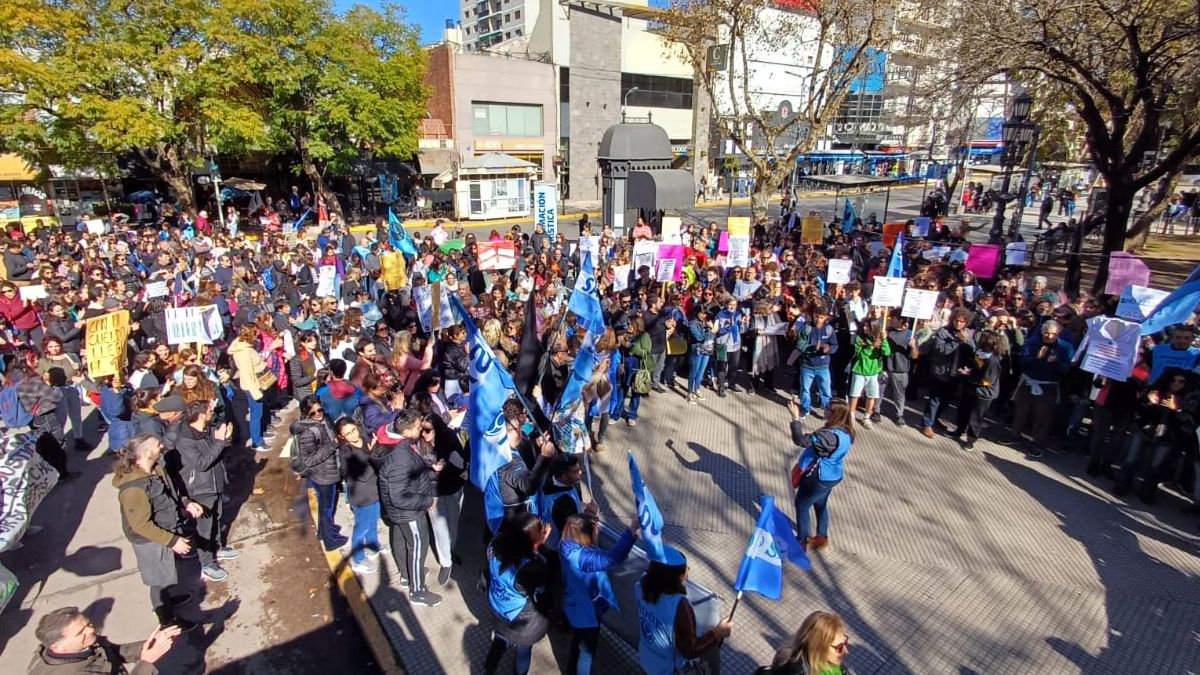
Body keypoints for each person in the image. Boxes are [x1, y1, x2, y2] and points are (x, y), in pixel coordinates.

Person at [113, 434, 200, 632]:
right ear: (145, 452)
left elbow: (172, 494)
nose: (162, 446)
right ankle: (166, 620)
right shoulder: (133, 489)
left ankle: (168, 600)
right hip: (150, 540)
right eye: (157, 444)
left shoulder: (156, 469)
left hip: (166, 530)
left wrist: (187, 503)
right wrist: (171, 541)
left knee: (167, 574)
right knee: (158, 582)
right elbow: (140, 525)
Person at [371, 409, 444, 607]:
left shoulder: (388, 442)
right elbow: (400, 496)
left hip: (399, 513)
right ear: (405, 432)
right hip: (409, 511)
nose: (421, 431)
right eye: (418, 428)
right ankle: (418, 590)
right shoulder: (400, 458)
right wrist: (426, 501)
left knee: (403, 542)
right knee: (418, 547)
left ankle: (407, 574)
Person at [560, 512, 638, 675]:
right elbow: (613, 558)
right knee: (587, 653)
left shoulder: (565, 544)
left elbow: (578, 524)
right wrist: (632, 529)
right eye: (596, 530)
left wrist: (589, 516)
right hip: (587, 614)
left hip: (572, 606)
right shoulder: (584, 558)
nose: (599, 532)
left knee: (577, 641)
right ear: (586, 534)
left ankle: (570, 670)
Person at [636, 547, 732, 675]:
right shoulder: (679, 606)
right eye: (686, 571)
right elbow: (690, 650)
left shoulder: (639, 587)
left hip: (647, 659)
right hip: (668, 669)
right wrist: (718, 633)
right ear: (676, 578)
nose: (687, 575)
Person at [174, 400, 239, 582]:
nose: (213, 412)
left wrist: (226, 439)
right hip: (201, 490)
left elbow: (217, 452)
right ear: (202, 415)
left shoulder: (206, 430)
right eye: (210, 410)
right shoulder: (185, 441)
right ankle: (207, 563)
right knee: (204, 528)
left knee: (216, 520)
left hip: (215, 483)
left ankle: (218, 547)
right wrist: (219, 441)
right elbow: (202, 464)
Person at [482, 513, 553, 675]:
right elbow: (543, 585)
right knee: (523, 650)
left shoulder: (494, 546)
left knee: (501, 638)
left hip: (498, 606)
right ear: (533, 539)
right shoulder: (531, 567)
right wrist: (540, 546)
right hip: (521, 619)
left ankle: (489, 668)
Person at [28, 607, 181, 675]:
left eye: (88, 624)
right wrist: (147, 661)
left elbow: (113, 652)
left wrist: (152, 644)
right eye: (80, 632)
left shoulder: (81, 645)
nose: (90, 630)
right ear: (57, 647)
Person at [788, 398, 854, 551]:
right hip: (833, 475)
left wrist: (795, 419)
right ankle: (821, 537)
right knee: (821, 504)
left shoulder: (827, 436)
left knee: (802, 505)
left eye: (827, 409)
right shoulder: (848, 431)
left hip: (818, 477)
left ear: (834, 415)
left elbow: (801, 440)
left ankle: (802, 540)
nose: (824, 410)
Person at [290, 395, 348, 553]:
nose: (318, 414)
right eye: (313, 412)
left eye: (320, 410)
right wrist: (332, 446)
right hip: (322, 475)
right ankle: (331, 541)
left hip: (328, 471)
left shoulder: (323, 421)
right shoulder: (309, 431)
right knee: (326, 508)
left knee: (326, 506)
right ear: (305, 413)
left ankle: (324, 532)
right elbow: (309, 459)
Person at [335, 417, 383, 574]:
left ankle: (373, 546)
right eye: (348, 433)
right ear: (342, 437)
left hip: (374, 492)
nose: (353, 435)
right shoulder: (346, 453)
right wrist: (373, 453)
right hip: (362, 497)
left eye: (353, 430)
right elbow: (362, 475)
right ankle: (358, 559)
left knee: (373, 521)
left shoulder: (364, 439)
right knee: (361, 527)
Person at [755, 610, 851, 675]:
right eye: (839, 647)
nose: (846, 651)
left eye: (845, 642)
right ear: (818, 648)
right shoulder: (796, 671)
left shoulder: (832, 662)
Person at [951, 330, 1002, 451]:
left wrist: (968, 375)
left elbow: (987, 381)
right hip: (970, 387)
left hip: (983, 393)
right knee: (963, 410)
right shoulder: (978, 353)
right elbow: (973, 366)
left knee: (975, 417)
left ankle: (971, 439)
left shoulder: (992, 361)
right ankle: (959, 430)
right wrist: (967, 370)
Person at [228, 324, 271, 452]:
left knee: (259, 411)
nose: (258, 334)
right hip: (253, 386)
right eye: (256, 332)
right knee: (256, 414)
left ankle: (260, 433)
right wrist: (256, 392)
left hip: (257, 383)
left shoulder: (241, 344)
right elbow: (247, 374)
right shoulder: (245, 351)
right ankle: (257, 441)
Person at [791, 306, 838, 418]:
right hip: (807, 365)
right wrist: (812, 348)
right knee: (805, 389)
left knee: (825, 390)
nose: (818, 319)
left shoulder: (829, 329)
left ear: (826, 318)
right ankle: (805, 409)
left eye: (821, 317)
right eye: (816, 316)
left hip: (823, 366)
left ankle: (827, 411)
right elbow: (800, 345)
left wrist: (829, 349)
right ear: (813, 315)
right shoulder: (807, 328)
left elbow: (835, 345)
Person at [846, 318, 890, 428]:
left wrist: (884, 341)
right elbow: (860, 354)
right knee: (855, 394)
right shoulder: (859, 338)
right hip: (859, 370)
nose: (865, 328)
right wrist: (871, 347)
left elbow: (887, 352)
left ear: (874, 328)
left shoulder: (880, 339)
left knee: (872, 395)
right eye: (864, 326)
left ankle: (867, 416)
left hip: (873, 372)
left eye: (868, 326)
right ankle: (851, 414)